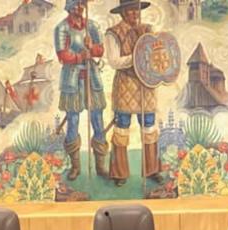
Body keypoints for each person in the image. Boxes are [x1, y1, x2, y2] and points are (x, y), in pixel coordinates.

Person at [105, 0, 159, 186]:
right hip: (125, 85)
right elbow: (114, 61)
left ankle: (152, 170)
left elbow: (158, 54)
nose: (135, 14)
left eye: (137, 10)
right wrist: (136, 57)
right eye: (130, 10)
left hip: (146, 85)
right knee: (122, 128)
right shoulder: (113, 33)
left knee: (149, 127)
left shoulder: (148, 30)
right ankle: (120, 173)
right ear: (122, 13)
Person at [54, 0, 109, 180]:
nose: (81, 7)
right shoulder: (62, 28)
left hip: (92, 77)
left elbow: (100, 50)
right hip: (72, 79)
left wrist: (92, 47)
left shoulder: (91, 26)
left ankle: (100, 166)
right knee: (73, 120)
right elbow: (62, 55)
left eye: (82, 3)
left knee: (97, 119)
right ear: (70, 6)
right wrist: (79, 56)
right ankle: (75, 166)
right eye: (77, 3)